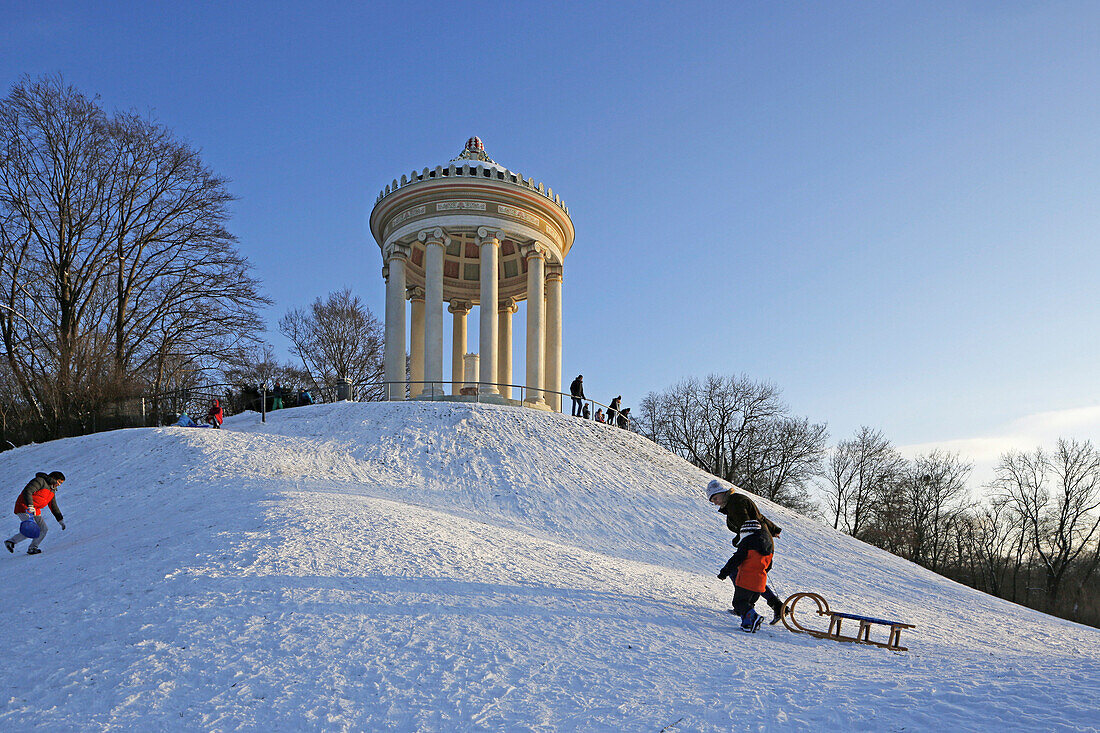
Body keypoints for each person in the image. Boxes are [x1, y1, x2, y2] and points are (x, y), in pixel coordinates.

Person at [706, 479, 784, 624]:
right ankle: (771, 606)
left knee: (744, 574)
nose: (715, 503)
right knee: (750, 575)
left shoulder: (736, 503)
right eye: (712, 501)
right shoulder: (733, 502)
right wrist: (774, 530)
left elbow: (748, 525)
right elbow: (759, 518)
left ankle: (747, 606)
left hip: (756, 544)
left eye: (715, 498)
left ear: (722, 493)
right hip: (760, 541)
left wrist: (740, 541)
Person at [718, 518, 774, 633]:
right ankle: (747, 624)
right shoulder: (768, 545)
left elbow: (737, 559)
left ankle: (754, 617)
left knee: (739, 603)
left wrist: (725, 571)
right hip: (760, 581)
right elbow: (769, 566)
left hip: (746, 579)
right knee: (749, 604)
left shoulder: (748, 542)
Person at [6, 471, 66, 556]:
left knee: (44, 529)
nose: (59, 484)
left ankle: (33, 548)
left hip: (35, 510)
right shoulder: (40, 481)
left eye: (61, 483)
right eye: (59, 482)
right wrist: (30, 505)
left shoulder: (52, 490)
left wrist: (60, 519)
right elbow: (28, 491)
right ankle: (11, 542)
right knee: (31, 529)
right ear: (53, 478)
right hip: (24, 507)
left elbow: (53, 505)